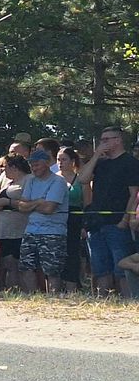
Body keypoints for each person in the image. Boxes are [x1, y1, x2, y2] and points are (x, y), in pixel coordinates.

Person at [77, 126, 139, 297]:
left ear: (118, 140)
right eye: (101, 140)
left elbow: (133, 195)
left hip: (117, 222)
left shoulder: (131, 163)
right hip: (96, 222)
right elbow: (82, 179)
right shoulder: (101, 163)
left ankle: (128, 301)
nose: (102, 143)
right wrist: (96, 156)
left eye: (106, 140)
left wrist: (124, 221)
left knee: (121, 268)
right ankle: (102, 301)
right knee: (100, 269)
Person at [14, 149, 69, 294]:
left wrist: (31, 205)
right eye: (32, 165)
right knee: (26, 266)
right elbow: (21, 206)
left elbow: (49, 208)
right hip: (30, 230)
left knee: (51, 270)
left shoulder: (58, 181)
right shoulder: (31, 180)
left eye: (37, 164)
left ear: (46, 164)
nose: (33, 168)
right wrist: (39, 201)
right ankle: (33, 297)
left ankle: (53, 298)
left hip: (53, 232)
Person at [0, 154, 30, 290]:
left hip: (19, 229)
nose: (3, 171)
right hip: (4, 229)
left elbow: (27, 202)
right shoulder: (5, 179)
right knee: (6, 262)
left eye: (6, 168)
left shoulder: (29, 180)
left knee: (16, 263)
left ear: (15, 168)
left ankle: (21, 290)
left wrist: (7, 202)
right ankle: (10, 290)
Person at [57, 146, 86, 292]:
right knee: (56, 253)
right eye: (58, 159)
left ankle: (72, 287)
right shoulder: (53, 178)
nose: (60, 163)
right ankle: (56, 287)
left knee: (73, 253)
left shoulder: (80, 178)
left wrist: (84, 226)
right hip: (56, 220)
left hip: (75, 220)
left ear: (72, 160)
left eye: (64, 159)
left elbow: (86, 203)